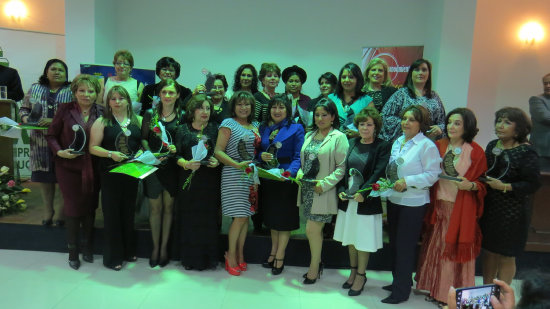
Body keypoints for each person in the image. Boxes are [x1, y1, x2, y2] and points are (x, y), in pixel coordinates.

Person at [416, 108, 488, 306]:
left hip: (460, 208)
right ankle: (434, 288)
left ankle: (449, 295)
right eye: (449, 122)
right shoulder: (438, 145)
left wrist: (471, 185)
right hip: (437, 204)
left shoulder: (476, 151)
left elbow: (483, 183)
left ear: (467, 127)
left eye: (457, 123)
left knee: (451, 251)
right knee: (436, 249)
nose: (451, 126)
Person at [381, 105, 441, 304]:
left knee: (405, 247)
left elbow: (433, 175)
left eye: (411, 119)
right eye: (404, 118)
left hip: (413, 203)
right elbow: (394, 167)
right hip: (394, 199)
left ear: (421, 124)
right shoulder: (398, 141)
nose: (405, 122)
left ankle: (401, 291)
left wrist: (408, 181)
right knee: (395, 246)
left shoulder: (427, 145)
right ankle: (398, 281)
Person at [45, 74, 103, 270]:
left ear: (97, 93)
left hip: (93, 166)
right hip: (68, 167)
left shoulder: (102, 112)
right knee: (72, 208)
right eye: (82, 90)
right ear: (75, 92)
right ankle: (72, 250)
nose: (86, 94)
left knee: (89, 206)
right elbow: (51, 134)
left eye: (91, 90)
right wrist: (60, 151)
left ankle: (87, 247)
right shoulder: (65, 109)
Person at [479, 107, 541, 285]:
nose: (500, 125)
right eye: (499, 121)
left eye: (507, 122)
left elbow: (533, 184)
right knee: (489, 251)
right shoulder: (492, 146)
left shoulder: (526, 152)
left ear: (519, 128)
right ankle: (486, 292)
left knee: (506, 255)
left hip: (513, 212)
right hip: (491, 208)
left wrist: (505, 186)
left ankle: (502, 295)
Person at [334, 107, 390, 296]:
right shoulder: (350, 142)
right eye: (361, 124)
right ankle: (352, 271)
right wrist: (341, 190)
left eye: (369, 124)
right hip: (348, 200)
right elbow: (341, 169)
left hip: (365, 201)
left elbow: (379, 172)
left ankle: (361, 274)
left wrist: (363, 193)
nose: (365, 127)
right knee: (350, 239)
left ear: (376, 127)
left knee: (363, 241)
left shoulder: (382, 146)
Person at [89, 86, 142, 271]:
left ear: (128, 100)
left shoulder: (138, 120)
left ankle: (128, 251)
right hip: (111, 175)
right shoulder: (102, 122)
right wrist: (111, 153)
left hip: (132, 173)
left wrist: (142, 153)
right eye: (113, 98)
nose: (117, 101)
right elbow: (93, 148)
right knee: (112, 215)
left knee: (128, 213)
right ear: (108, 102)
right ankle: (112, 258)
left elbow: (143, 145)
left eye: (121, 98)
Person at [296, 98, 349, 284]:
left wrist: (325, 184)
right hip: (307, 188)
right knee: (312, 230)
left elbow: (342, 168)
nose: (320, 118)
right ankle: (317, 263)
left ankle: (314, 267)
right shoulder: (309, 135)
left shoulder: (339, 137)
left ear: (333, 117)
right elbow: (305, 161)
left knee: (312, 229)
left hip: (323, 190)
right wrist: (300, 173)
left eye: (324, 115)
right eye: (317, 115)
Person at [20, 59, 73, 226]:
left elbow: (76, 114)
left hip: (64, 141)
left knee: (63, 178)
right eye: (53, 69)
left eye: (61, 70)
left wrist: (53, 121)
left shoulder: (71, 91)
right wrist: (26, 117)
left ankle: (61, 211)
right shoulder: (35, 88)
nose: (57, 72)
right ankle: (48, 210)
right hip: (39, 142)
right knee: (45, 179)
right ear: (46, 72)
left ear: (66, 74)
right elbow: (23, 108)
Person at [214, 91, 260, 276]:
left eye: (247, 104)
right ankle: (230, 255)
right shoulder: (228, 124)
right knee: (239, 217)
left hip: (251, 176)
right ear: (233, 106)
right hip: (233, 173)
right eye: (240, 104)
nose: (244, 107)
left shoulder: (255, 125)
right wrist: (236, 164)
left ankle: (240, 254)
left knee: (246, 217)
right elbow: (218, 151)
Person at [257, 94, 304, 275]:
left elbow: (298, 155)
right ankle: (273, 251)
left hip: (286, 179)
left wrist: (289, 173)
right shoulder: (264, 128)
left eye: (282, 107)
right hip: (269, 177)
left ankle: (280, 255)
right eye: (274, 107)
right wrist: (261, 156)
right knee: (272, 219)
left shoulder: (297, 127)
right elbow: (259, 150)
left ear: (288, 110)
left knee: (283, 221)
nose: (277, 111)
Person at [175, 94, 220, 270]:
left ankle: (208, 259)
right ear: (192, 110)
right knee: (190, 219)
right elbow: (176, 155)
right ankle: (190, 259)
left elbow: (219, 152)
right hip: (188, 180)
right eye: (201, 107)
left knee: (208, 220)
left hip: (209, 181)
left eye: (208, 108)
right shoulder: (182, 129)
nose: (205, 112)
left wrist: (217, 160)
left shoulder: (214, 129)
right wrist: (185, 164)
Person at [141, 79, 183, 268]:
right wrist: (150, 153)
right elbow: (143, 139)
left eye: (171, 93)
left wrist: (176, 148)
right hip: (153, 167)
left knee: (168, 209)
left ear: (177, 95)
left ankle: (164, 248)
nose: (167, 96)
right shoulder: (150, 114)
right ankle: (155, 248)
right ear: (159, 94)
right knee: (155, 209)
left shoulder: (182, 116)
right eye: (164, 92)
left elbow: (183, 141)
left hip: (173, 168)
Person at [380, 58, 446, 143]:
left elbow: (443, 122)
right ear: (411, 73)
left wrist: (439, 128)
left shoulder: (434, 96)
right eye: (417, 70)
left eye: (424, 70)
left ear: (429, 74)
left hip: (427, 143)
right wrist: (408, 124)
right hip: (404, 142)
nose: (420, 73)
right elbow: (386, 116)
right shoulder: (401, 94)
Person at [329, 62, 373, 138]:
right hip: (332, 143)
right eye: (343, 77)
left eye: (351, 77)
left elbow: (373, 128)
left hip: (357, 145)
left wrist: (359, 134)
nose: (347, 80)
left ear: (358, 79)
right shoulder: (331, 98)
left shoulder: (367, 101)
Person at [528, 73, 550, 172]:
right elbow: (545, 117)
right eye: (545, 83)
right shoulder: (536, 100)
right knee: (542, 184)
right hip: (543, 152)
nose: (548, 86)